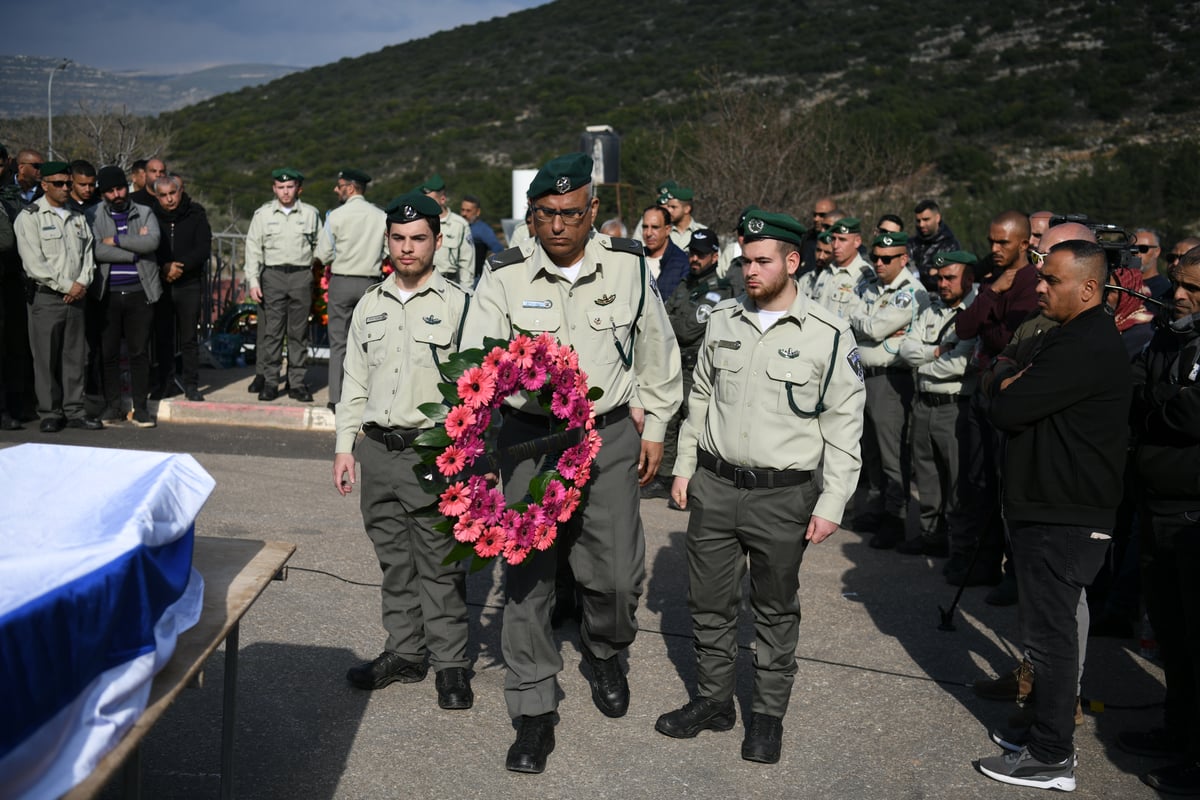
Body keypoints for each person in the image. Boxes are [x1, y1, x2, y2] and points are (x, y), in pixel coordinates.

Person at [461, 152, 682, 774]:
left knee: (613, 574)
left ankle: (605, 647)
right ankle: (533, 706)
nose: (558, 226)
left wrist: (657, 427)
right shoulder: (504, 277)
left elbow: (656, 353)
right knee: (527, 577)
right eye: (546, 215)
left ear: (592, 214)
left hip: (608, 434)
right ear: (531, 218)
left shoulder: (630, 270)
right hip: (530, 439)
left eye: (570, 214)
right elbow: (474, 361)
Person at [655, 208, 865, 764]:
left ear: (792, 262)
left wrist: (833, 500)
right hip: (716, 486)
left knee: (773, 608)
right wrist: (684, 466)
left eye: (762, 260)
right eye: (744, 260)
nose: (749, 270)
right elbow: (699, 397)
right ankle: (714, 700)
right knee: (709, 602)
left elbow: (844, 423)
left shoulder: (826, 332)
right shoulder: (723, 320)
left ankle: (767, 716)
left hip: (784, 494)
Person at [976, 240, 1131, 792]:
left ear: (1089, 288)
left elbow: (1006, 407)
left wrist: (1007, 382)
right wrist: (1009, 378)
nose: (1039, 287)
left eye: (1053, 280)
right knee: (1043, 632)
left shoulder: (1085, 344)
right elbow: (1007, 389)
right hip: (1046, 508)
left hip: (1063, 515)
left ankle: (1051, 755)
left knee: (1051, 637)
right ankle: (1040, 734)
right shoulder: (1066, 338)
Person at [332, 190, 474, 710]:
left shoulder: (461, 305)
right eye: (398, 238)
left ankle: (453, 664)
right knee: (394, 561)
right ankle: (406, 651)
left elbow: (479, 388)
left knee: (440, 564)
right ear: (387, 240)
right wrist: (345, 447)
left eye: (418, 239)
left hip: (434, 454)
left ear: (437, 241)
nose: (407, 248)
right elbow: (353, 380)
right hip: (379, 452)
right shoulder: (370, 304)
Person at [1119, 245, 1200, 794]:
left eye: (1193, 287)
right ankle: (1179, 730)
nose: (1180, 296)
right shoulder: (1168, 336)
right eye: (1177, 284)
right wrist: (1162, 397)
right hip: (1156, 500)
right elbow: (1136, 388)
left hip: (1193, 512)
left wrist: (1159, 399)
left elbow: (1191, 415)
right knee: (1170, 629)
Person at [949, 210, 1035, 588]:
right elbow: (966, 326)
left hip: (1011, 392)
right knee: (977, 480)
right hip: (984, 390)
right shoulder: (992, 279)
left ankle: (1014, 574)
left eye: (1003, 242)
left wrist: (992, 319)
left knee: (1008, 484)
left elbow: (1010, 339)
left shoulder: (1035, 282)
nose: (995, 248)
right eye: (992, 241)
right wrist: (993, 292)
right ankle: (981, 563)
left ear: (1024, 243)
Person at [896, 251, 977, 556]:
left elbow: (962, 364)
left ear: (968, 279)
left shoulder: (973, 313)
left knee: (957, 480)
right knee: (927, 474)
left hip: (954, 405)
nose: (942, 283)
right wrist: (937, 352)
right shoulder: (931, 310)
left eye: (949, 278)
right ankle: (931, 536)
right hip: (924, 404)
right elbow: (906, 349)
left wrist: (922, 360)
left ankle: (961, 546)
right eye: (939, 277)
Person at [849, 231, 928, 548]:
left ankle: (895, 517)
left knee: (891, 452)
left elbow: (873, 327)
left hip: (892, 379)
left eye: (886, 259)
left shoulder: (910, 291)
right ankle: (878, 508)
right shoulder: (869, 285)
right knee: (870, 450)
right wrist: (864, 319)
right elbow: (854, 320)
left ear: (903, 259)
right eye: (876, 258)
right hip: (864, 375)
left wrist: (861, 318)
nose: (878, 264)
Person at [645, 228, 734, 504]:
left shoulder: (718, 291)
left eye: (701, 254)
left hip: (696, 369)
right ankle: (666, 478)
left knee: (692, 423)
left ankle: (692, 483)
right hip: (674, 366)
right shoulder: (684, 284)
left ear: (715, 256)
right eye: (693, 253)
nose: (695, 259)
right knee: (669, 420)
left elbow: (685, 329)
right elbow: (661, 316)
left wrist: (669, 324)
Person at [13, 161, 101, 432]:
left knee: (75, 356)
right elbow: (33, 263)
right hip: (48, 297)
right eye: (59, 184)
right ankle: (50, 412)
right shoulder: (30, 217)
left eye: (67, 183)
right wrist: (66, 286)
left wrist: (82, 283)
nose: (65, 188)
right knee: (46, 357)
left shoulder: (77, 215)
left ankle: (75, 409)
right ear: (45, 185)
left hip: (76, 297)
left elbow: (88, 254)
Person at [90, 165, 163, 427]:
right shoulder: (93, 215)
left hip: (139, 292)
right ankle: (113, 407)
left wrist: (117, 240)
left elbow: (152, 243)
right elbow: (97, 250)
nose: (117, 194)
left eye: (120, 188)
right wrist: (133, 252)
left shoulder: (144, 212)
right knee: (108, 353)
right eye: (110, 190)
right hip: (107, 294)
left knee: (139, 352)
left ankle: (140, 408)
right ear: (103, 193)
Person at [243, 168, 321, 402]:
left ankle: (296, 383)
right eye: (280, 187)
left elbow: (320, 245)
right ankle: (270, 382)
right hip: (273, 275)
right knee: (272, 333)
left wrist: (314, 271)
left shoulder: (310, 214)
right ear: (274, 188)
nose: (285, 192)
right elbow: (253, 248)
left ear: (298, 188)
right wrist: (253, 281)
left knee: (298, 333)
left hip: (300, 275)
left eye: (290, 187)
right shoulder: (263, 215)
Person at [314, 168, 386, 411]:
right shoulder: (380, 216)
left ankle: (337, 398)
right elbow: (388, 250)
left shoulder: (335, 216)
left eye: (339, 184)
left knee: (338, 343)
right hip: (370, 282)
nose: (336, 189)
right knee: (370, 344)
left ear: (350, 187)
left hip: (342, 281)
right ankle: (368, 398)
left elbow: (323, 255)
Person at [152, 174, 211, 402]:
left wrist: (180, 268)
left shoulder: (196, 213)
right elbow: (149, 247)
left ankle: (191, 384)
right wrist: (164, 267)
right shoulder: (152, 216)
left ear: (180, 190)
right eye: (163, 195)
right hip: (162, 283)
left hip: (188, 283)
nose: (169, 200)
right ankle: (164, 383)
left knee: (188, 338)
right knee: (163, 336)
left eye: (172, 193)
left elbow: (203, 248)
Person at [799, 217, 872, 319]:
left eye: (842, 240)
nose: (836, 245)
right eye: (833, 239)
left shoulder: (864, 276)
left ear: (857, 242)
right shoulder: (826, 271)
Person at [418, 174, 474, 287]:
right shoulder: (418, 223)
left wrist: (467, 292)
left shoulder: (459, 225)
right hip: (422, 283)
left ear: (442, 199)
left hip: (449, 283)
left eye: (430, 199)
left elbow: (466, 263)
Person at [908, 199, 961, 291]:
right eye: (918, 220)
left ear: (937, 218)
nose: (921, 224)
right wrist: (928, 271)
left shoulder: (950, 246)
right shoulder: (911, 244)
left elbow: (947, 279)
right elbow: (904, 273)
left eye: (926, 219)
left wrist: (917, 271)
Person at [640, 204, 688, 299]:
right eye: (645, 227)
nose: (648, 233)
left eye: (655, 227)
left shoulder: (682, 263)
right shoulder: (635, 258)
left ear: (667, 230)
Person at [460, 193, 505, 277]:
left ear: (477, 212)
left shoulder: (483, 230)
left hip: (474, 277)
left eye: (468, 211)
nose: (464, 214)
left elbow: (498, 250)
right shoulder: (457, 225)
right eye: (462, 210)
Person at [661, 184, 704, 251]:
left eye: (673, 207)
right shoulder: (662, 232)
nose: (668, 210)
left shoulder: (702, 232)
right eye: (668, 206)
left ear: (687, 209)